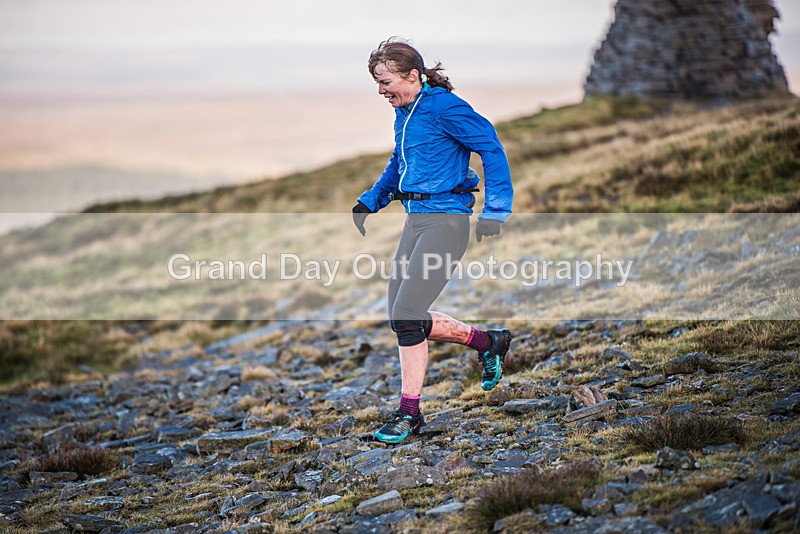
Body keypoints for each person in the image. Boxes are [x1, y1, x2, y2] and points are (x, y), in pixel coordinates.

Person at [352, 37, 514, 444]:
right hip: (416, 221)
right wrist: (372, 199)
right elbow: (399, 161)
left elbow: (491, 148)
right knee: (401, 316)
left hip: (446, 222)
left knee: (408, 314)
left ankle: (409, 415)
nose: (380, 90)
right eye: (376, 82)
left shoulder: (444, 107)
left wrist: (495, 210)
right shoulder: (404, 113)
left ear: (412, 75)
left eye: (385, 81)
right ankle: (488, 342)